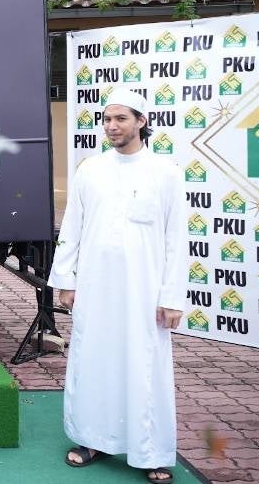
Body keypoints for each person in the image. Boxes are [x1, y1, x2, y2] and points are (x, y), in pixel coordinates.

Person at [48, 88, 185, 484]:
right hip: (95, 287)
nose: (111, 126)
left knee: (145, 367)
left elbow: (176, 240)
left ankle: (150, 452)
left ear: (141, 121)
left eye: (121, 118)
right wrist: (66, 280)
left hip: (145, 293)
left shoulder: (166, 172)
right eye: (107, 119)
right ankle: (92, 439)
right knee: (93, 361)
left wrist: (172, 297)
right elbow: (72, 227)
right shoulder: (91, 170)